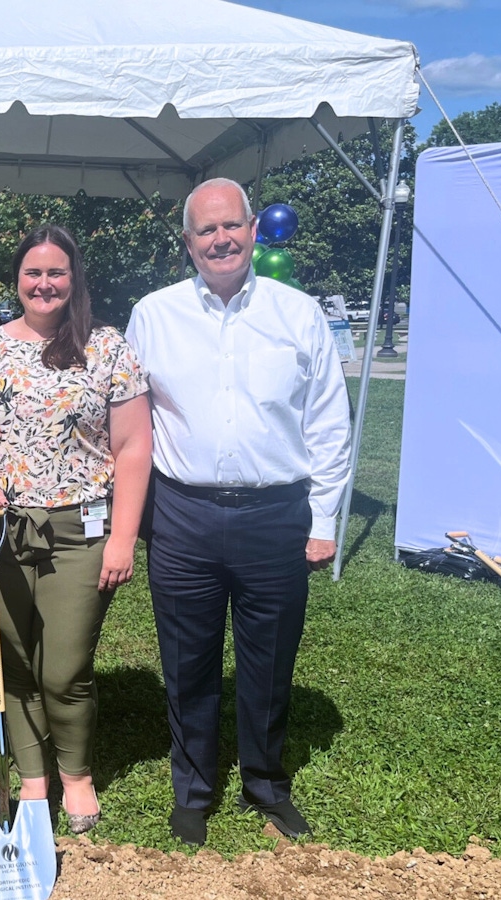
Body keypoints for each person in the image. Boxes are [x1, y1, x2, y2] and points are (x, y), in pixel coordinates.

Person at [125, 178, 352, 846]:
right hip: (183, 516)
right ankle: (192, 790)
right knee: (187, 660)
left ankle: (265, 784)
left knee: (269, 660)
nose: (220, 240)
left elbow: (329, 423)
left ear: (254, 230)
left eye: (232, 226)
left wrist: (324, 521)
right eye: (206, 230)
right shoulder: (154, 315)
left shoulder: (299, 313)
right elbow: (131, 422)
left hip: (275, 516)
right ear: (188, 241)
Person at [0, 224, 152, 834]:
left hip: (83, 528)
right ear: (18, 279)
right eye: (33, 273)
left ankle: (77, 774)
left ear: (74, 277)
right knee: (10, 661)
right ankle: (33, 777)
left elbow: (135, 446)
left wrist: (123, 536)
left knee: (64, 666)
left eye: (56, 272)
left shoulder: (106, 346)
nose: (44, 283)